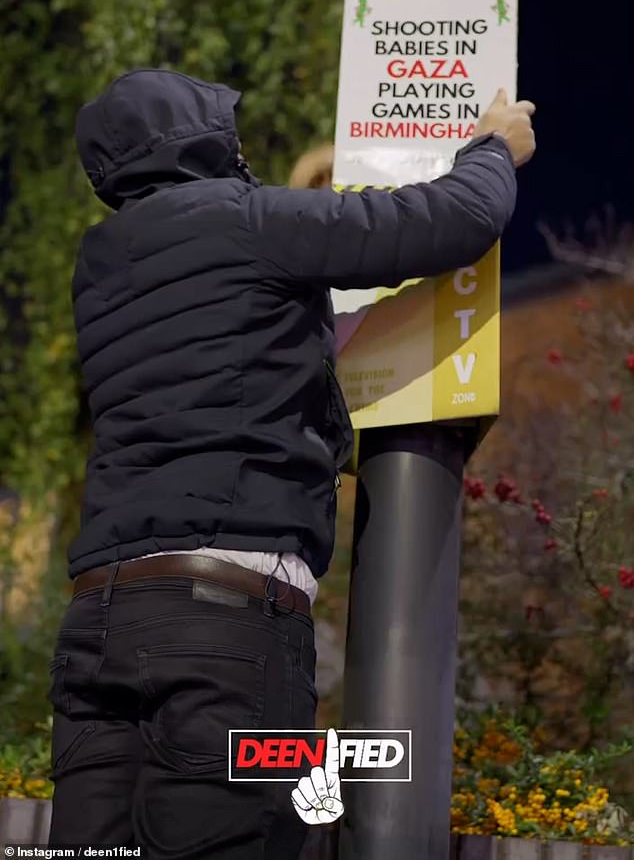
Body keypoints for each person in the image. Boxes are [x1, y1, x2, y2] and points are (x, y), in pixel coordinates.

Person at [48, 70, 535, 858]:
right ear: (203, 138)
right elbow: (448, 220)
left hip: (99, 619)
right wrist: (493, 150)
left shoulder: (99, 263)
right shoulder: (248, 220)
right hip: (226, 620)